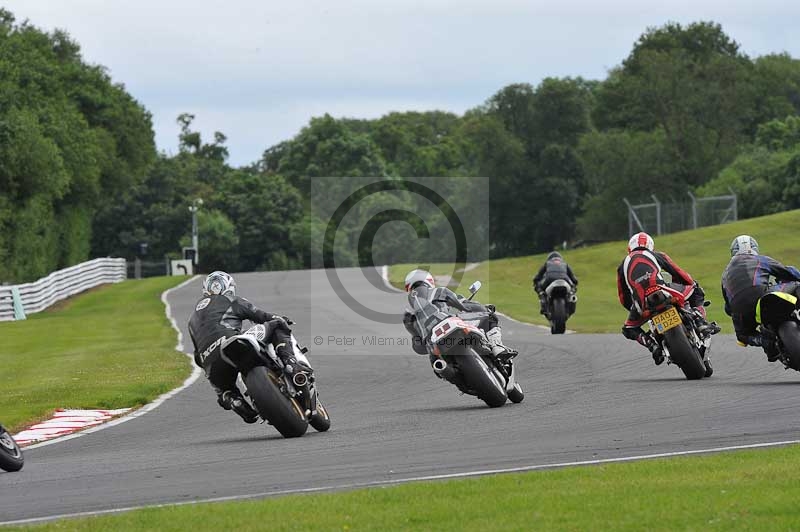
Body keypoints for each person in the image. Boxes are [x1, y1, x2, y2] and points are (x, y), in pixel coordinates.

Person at [188, 271, 307, 423]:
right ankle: (291, 364)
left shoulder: (191, 320)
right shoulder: (232, 300)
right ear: (229, 287)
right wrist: (281, 318)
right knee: (277, 324)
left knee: (224, 389)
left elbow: (197, 356)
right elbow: (262, 316)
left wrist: (208, 365)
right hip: (233, 342)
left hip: (210, 362)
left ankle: (232, 399)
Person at [617, 232, 718, 365]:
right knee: (696, 289)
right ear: (650, 246)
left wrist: (634, 308)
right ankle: (699, 321)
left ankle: (651, 345)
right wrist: (685, 282)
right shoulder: (656, 255)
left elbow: (623, 297)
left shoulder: (622, 266)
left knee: (628, 329)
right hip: (664, 292)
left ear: (630, 247)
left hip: (642, 304)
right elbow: (680, 274)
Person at [401, 269, 517, 374]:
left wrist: (425, 342)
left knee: (440, 371)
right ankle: (497, 347)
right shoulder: (438, 291)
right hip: (451, 325)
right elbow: (463, 305)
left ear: (408, 288)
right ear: (429, 281)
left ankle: (455, 376)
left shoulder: (409, 315)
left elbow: (418, 347)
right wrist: (480, 308)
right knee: (490, 317)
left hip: (435, 348)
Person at [722, 235, 800, 361]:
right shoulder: (759, 259)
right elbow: (788, 272)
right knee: (797, 285)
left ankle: (764, 341)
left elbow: (727, 308)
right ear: (754, 248)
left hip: (740, 311)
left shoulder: (725, 275)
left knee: (742, 336)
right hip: (762, 296)